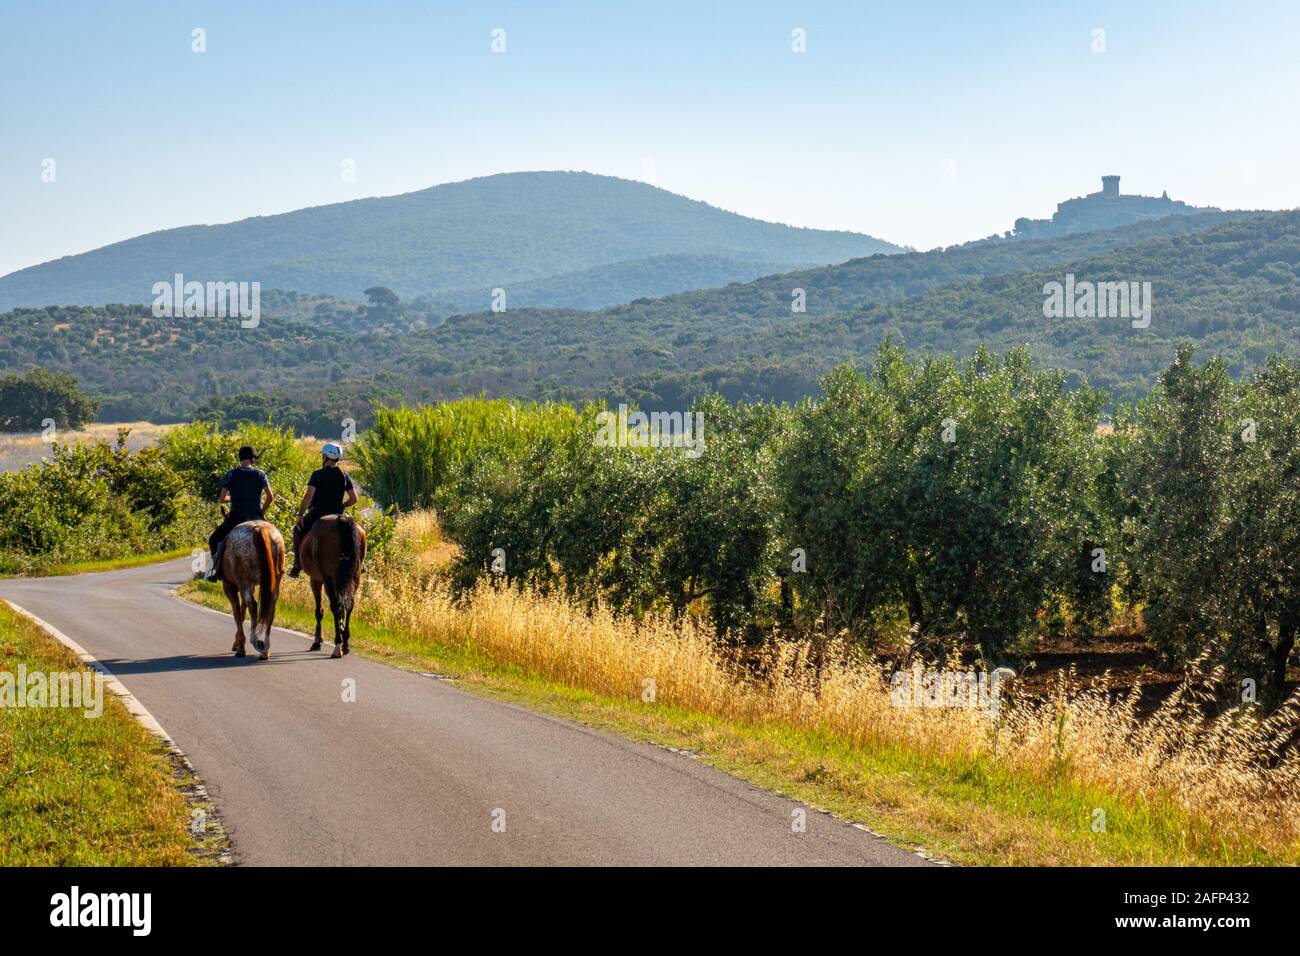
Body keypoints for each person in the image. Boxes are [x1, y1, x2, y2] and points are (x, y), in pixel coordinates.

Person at [206, 445, 274, 582]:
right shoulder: (261, 474)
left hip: (236, 517)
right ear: (252, 459)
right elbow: (270, 497)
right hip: (255, 516)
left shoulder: (231, 474)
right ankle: (277, 568)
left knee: (213, 539)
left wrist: (233, 497)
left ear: (240, 458)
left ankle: (217, 571)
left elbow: (221, 499)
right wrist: (262, 512)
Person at [289, 442, 358, 578]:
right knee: (353, 533)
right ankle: (358, 564)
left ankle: (297, 564)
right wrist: (342, 506)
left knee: (297, 530)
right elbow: (354, 498)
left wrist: (300, 515)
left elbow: (308, 496)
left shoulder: (317, 474)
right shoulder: (344, 475)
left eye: (323, 455)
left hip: (318, 513)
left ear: (326, 457)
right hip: (338, 514)